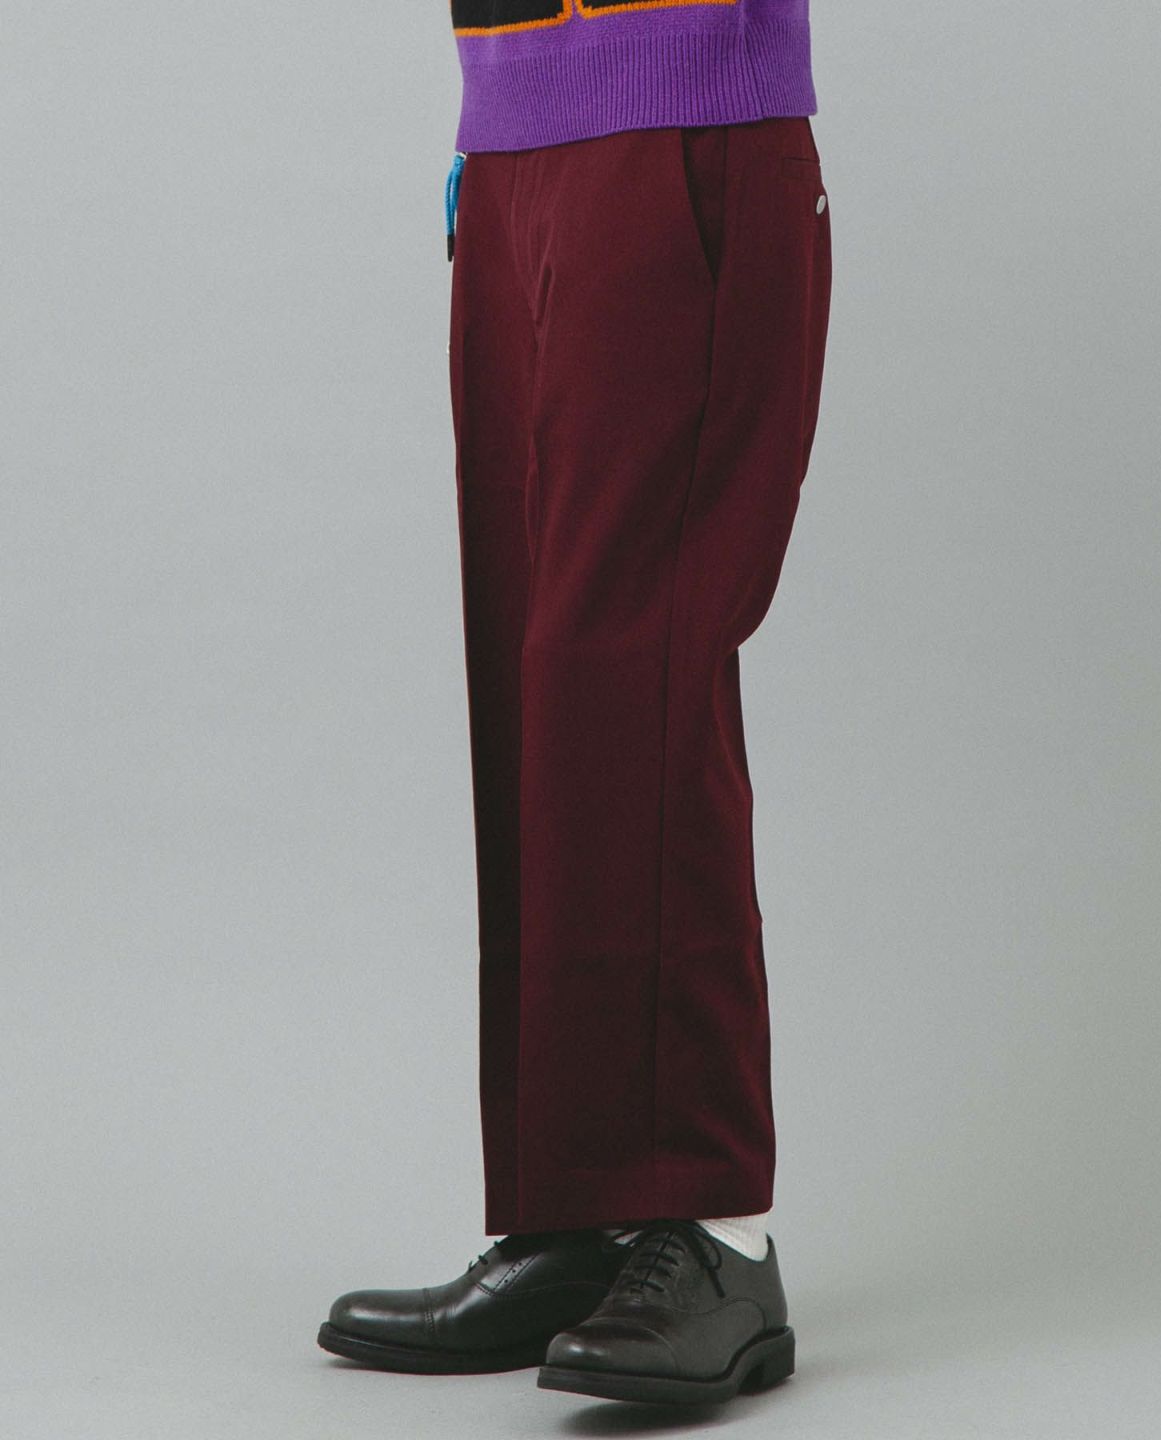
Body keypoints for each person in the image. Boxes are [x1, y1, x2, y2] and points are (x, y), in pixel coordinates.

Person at [318, 0, 832, 1408]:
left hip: (686, 114)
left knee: (637, 668)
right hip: (510, 130)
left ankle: (719, 1232)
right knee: (540, 681)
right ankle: (579, 1208)